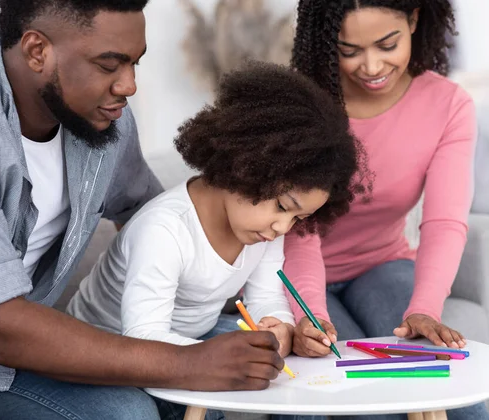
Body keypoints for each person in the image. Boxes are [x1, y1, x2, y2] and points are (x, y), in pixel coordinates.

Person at [0, 2, 287, 419]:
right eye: (109, 65)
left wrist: (274, 322)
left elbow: (156, 216)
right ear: (37, 51)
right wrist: (187, 363)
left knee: (262, 361)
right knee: (127, 413)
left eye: (134, 64)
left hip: (9, 345)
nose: (129, 86)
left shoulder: (102, 120)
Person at [67, 61, 361, 419]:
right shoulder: (164, 229)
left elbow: (267, 297)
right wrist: (221, 358)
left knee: (299, 388)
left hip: (194, 339)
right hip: (118, 350)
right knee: (212, 406)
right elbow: (143, 337)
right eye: (283, 207)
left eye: (297, 218)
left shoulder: (263, 228)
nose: (284, 227)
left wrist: (279, 329)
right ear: (245, 166)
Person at [282, 1, 489, 419]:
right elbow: (298, 229)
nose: (371, 66)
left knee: (446, 381)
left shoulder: (448, 105)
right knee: (366, 398)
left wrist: (425, 308)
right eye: (350, 50)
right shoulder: (302, 105)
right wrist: (313, 316)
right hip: (297, 273)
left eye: (387, 44)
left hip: (381, 262)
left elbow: (444, 221)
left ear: (413, 19)